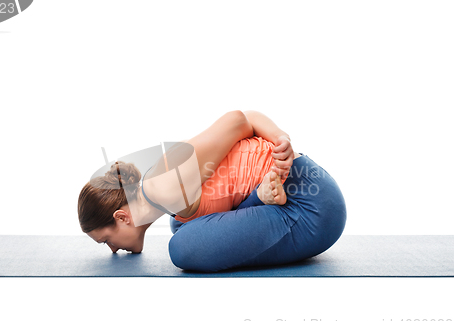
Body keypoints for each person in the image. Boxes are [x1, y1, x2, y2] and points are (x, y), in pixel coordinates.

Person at [78, 110, 346, 272]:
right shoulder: (165, 196)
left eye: (106, 240)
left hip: (311, 206)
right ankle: (260, 198)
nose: (112, 249)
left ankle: (261, 199)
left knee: (183, 248)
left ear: (121, 217)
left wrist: (281, 139)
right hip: (283, 193)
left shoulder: (165, 186)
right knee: (180, 226)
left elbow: (240, 120)